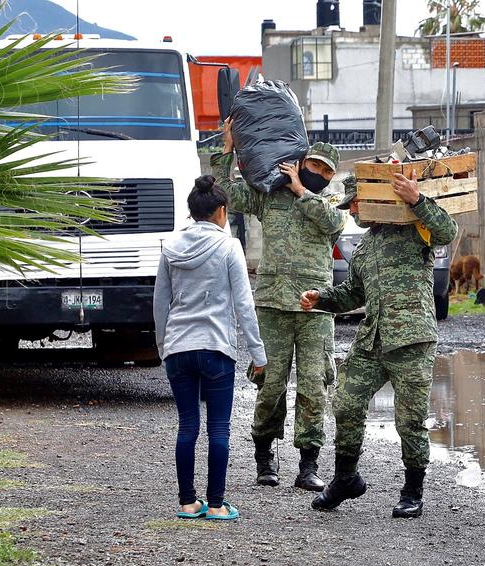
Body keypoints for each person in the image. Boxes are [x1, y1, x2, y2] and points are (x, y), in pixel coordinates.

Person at [300, 172, 458, 518]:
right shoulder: (364, 247)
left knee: (410, 421)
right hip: (372, 340)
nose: (352, 210)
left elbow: (448, 231)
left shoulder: (415, 226)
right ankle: (345, 478)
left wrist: (416, 200)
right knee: (345, 404)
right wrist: (322, 298)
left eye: (356, 202)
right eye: (349, 205)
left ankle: (412, 491)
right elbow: (354, 293)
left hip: (411, 341)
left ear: (374, 200)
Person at [211, 121, 348, 491]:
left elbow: (333, 223)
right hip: (272, 304)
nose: (318, 173)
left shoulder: (330, 202)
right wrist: (226, 151)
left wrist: (303, 190)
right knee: (270, 385)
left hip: (314, 307)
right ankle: (265, 458)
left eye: (325, 171)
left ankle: (308, 464)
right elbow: (224, 193)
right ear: (301, 161)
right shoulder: (268, 195)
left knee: (313, 386)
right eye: (313, 165)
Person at [153, 176, 267, 521]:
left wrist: (163, 347)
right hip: (216, 347)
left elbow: (160, 303)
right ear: (221, 211)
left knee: (187, 426)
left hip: (178, 349)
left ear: (192, 211)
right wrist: (258, 355)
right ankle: (216, 505)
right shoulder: (229, 247)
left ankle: (188, 502)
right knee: (219, 428)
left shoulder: (170, 247)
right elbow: (244, 305)